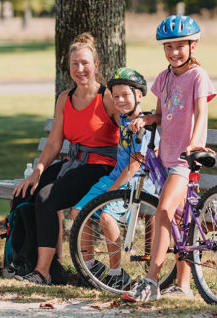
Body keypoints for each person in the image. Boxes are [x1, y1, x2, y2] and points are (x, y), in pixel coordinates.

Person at [11, 33, 120, 285]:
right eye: (74, 64)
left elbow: (127, 133)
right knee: (25, 192)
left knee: (46, 198)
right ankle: (31, 261)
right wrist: (37, 171)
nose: (79, 69)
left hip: (100, 168)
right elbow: (53, 143)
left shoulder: (107, 98)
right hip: (73, 164)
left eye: (84, 63)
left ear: (96, 66)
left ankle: (43, 271)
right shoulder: (65, 98)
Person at [123, 15, 216, 302]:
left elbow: (201, 114)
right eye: (168, 47)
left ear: (193, 45)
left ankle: (151, 281)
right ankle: (183, 284)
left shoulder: (198, 77)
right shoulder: (163, 78)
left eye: (179, 46)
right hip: (164, 155)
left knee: (163, 209)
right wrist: (145, 119)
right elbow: (161, 115)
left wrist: (195, 144)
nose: (174, 52)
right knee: (178, 218)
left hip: (185, 158)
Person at [72, 67, 159, 290]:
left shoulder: (144, 125)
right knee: (77, 211)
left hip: (136, 182)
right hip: (114, 177)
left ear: (139, 95)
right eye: (116, 96)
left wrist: (112, 191)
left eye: (125, 95)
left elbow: (134, 166)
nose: (120, 100)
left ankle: (116, 273)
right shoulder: (122, 116)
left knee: (107, 218)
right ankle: (91, 267)